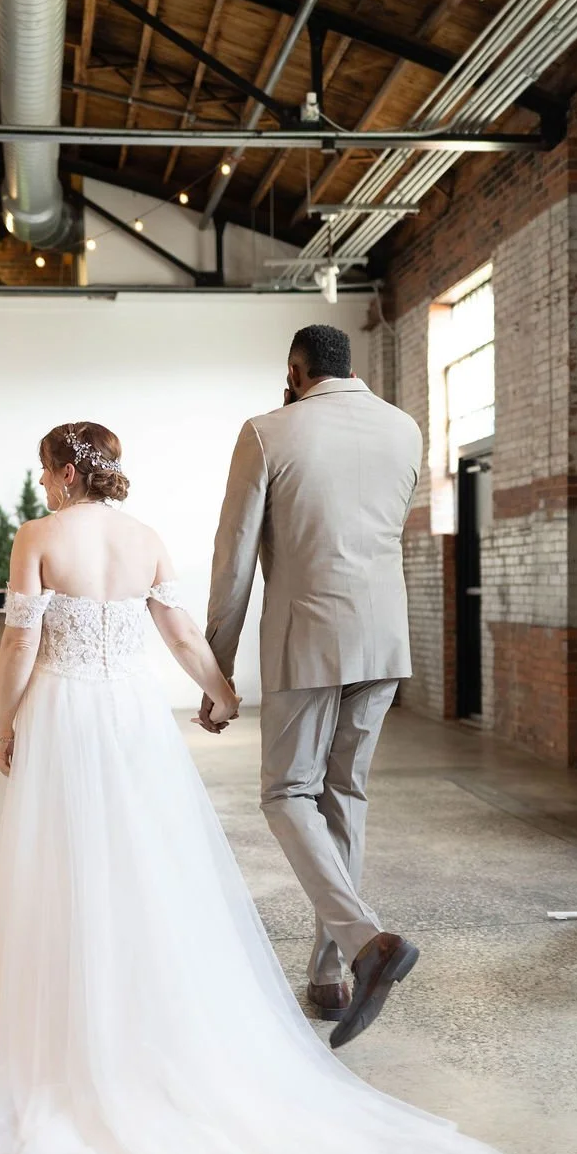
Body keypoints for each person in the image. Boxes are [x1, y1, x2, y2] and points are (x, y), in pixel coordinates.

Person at [0, 420, 571, 1154]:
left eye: (46, 471)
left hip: (65, 715)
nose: (46, 484)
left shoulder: (38, 538)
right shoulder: (144, 539)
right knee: (145, 872)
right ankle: (145, 1029)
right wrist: (220, 690)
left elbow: (21, 645)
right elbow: (178, 631)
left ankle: (69, 1038)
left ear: (60, 471)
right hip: (133, 719)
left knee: (61, 874)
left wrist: (5, 721)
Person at [204, 324, 424, 1049]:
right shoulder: (404, 429)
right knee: (344, 795)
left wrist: (216, 665)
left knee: (287, 795)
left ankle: (366, 944)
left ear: (294, 370)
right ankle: (331, 975)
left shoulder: (269, 431)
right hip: (385, 635)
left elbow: (234, 556)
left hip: (308, 636)